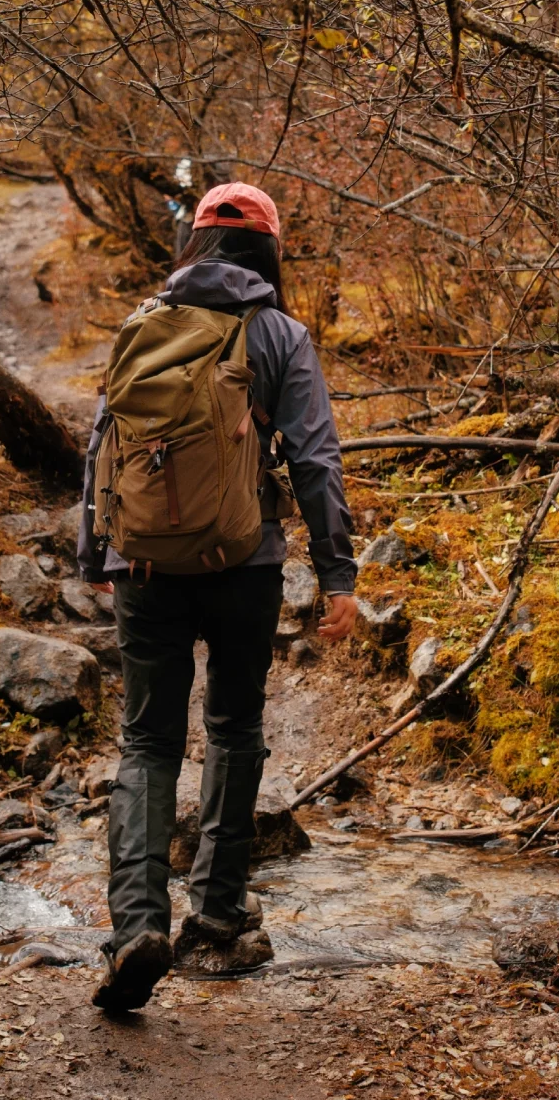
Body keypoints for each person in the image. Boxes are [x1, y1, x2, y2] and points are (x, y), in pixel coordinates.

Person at [77, 180, 359, 1012]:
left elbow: (101, 445)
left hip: (146, 570)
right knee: (234, 729)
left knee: (146, 743)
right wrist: (337, 575)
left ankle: (136, 926)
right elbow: (314, 458)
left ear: (196, 242)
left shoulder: (145, 323)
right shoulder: (278, 333)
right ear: (269, 248)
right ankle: (217, 916)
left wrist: (99, 552)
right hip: (245, 565)